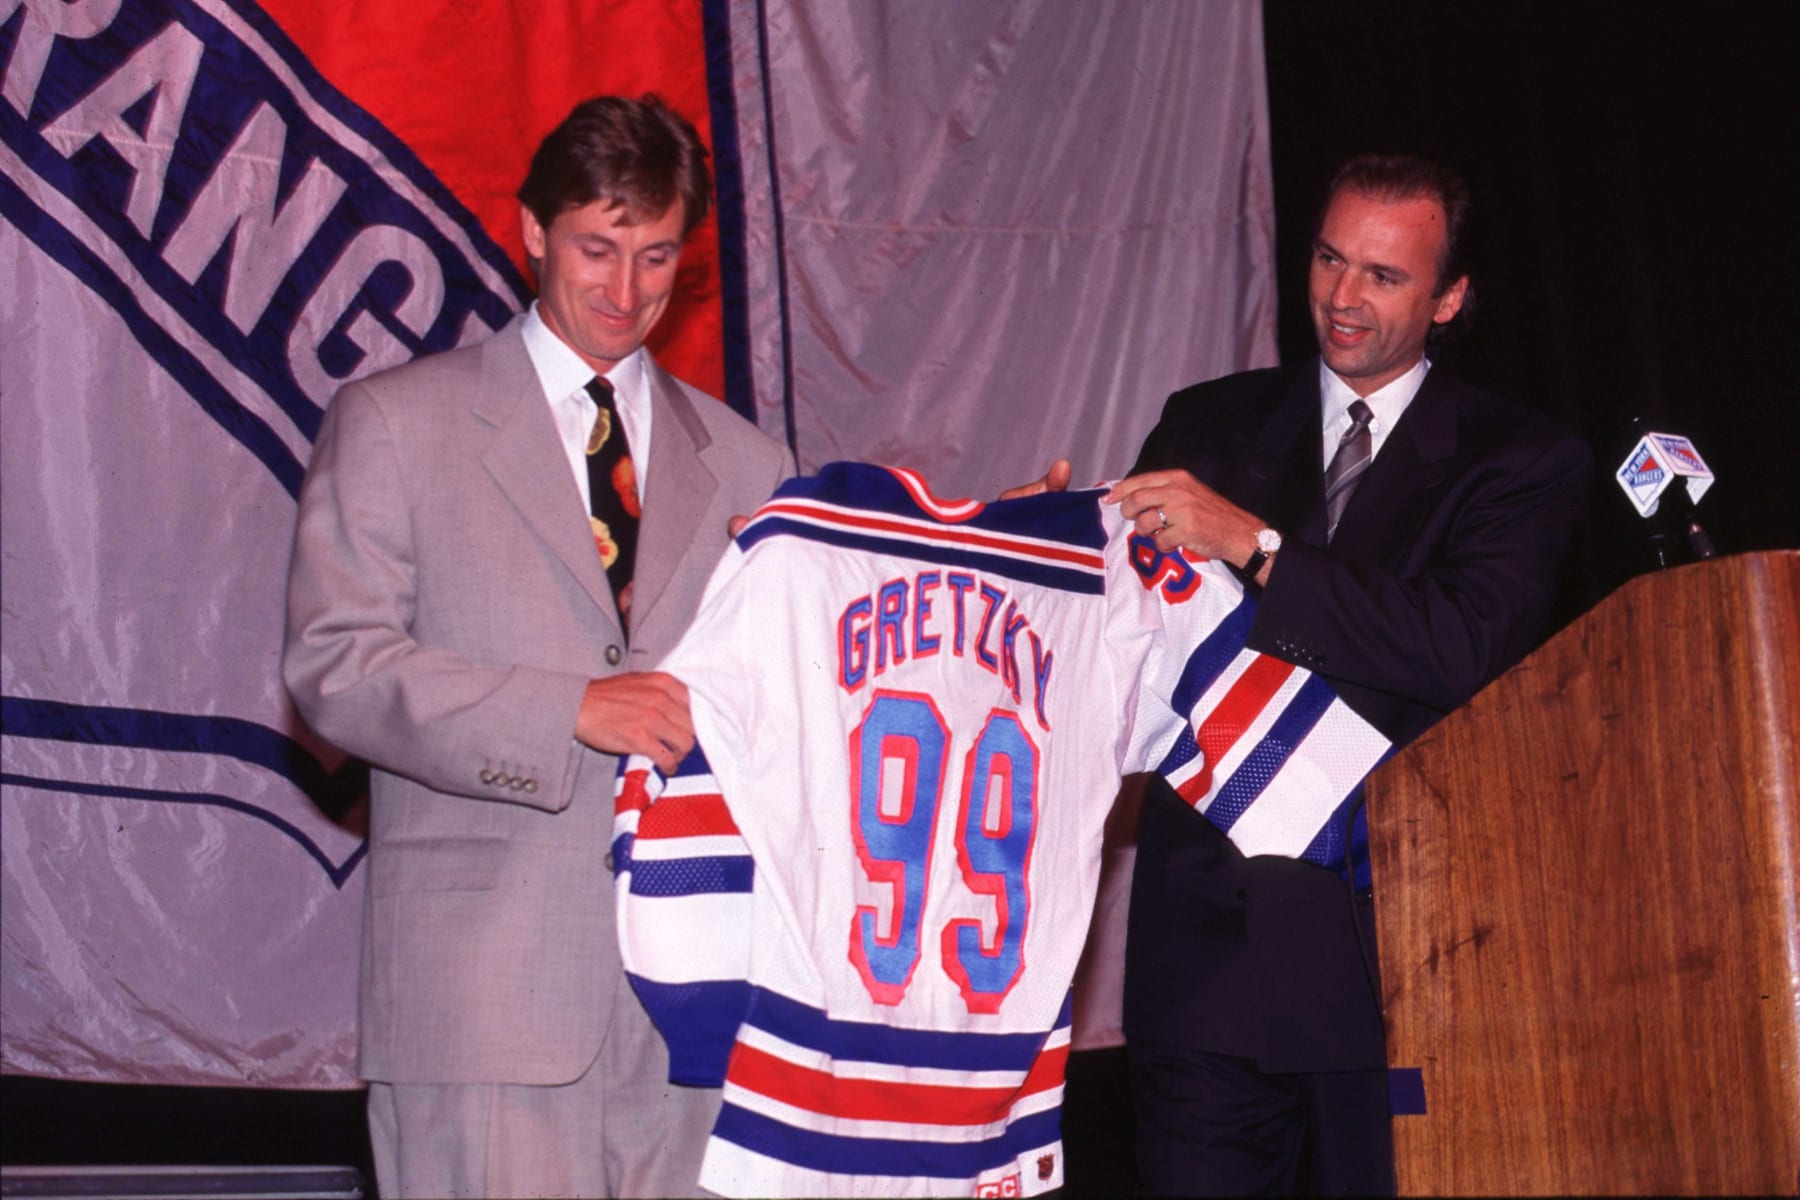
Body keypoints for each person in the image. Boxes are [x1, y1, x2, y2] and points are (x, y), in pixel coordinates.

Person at [283, 95, 793, 1199]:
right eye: (598, 248)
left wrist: (990, 555)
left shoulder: (756, 467)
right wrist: (564, 711)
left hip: (705, 1017)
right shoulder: (395, 421)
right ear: (530, 231)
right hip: (482, 1007)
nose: (626, 291)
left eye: (656, 256)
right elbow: (336, 667)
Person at [1083, 153, 1589, 1194]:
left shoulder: (1521, 458)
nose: (1343, 297)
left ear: (1448, 299)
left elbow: (1461, 646)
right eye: (1328, 259)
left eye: (1383, 275)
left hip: (1397, 956)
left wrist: (1259, 548)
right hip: (1205, 960)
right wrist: (1028, 548)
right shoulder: (1206, 423)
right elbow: (1117, 626)